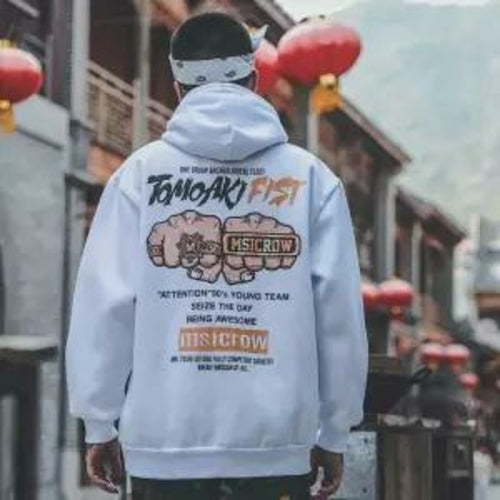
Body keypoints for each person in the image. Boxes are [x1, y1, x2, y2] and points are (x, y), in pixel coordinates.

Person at [66, 12, 368, 500]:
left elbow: (106, 305)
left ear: (178, 88)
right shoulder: (312, 180)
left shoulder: (139, 176)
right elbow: (338, 316)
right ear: (254, 79)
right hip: (277, 449)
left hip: (164, 448)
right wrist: (333, 432)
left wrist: (99, 422)